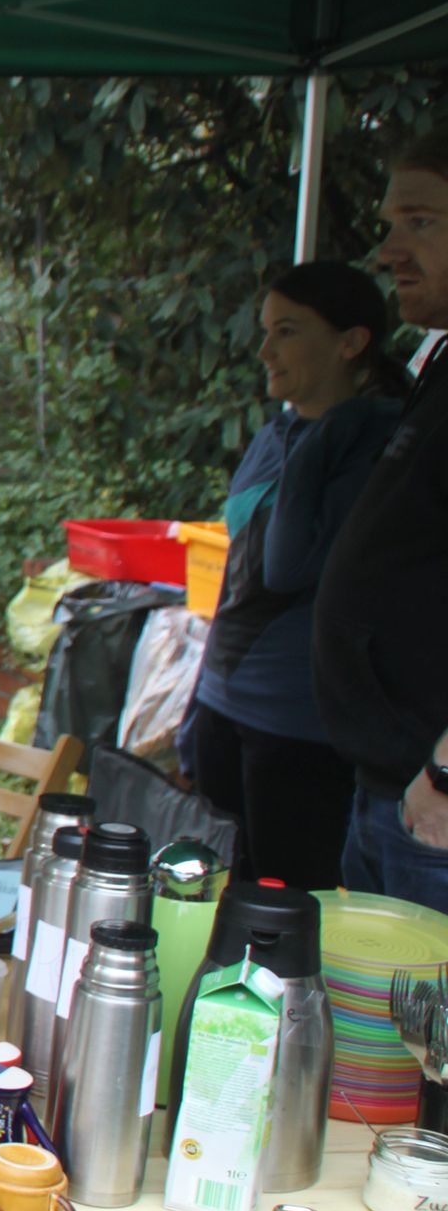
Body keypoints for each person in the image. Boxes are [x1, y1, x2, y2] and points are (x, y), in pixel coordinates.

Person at [289, 133, 448, 1211]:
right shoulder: (438, 372)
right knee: (405, 1055)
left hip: (440, 791)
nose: (389, 246)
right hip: (387, 779)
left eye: (419, 222)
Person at [182, 261, 403, 889]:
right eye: (265, 330)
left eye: (287, 331)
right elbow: (238, 576)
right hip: (228, 698)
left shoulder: (372, 444)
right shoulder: (279, 432)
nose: (264, 350)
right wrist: (201, 696)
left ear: (351, 342)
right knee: (211, 892)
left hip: (300, 722)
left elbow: (286, 568)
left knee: (281, 907)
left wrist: (329, 433)